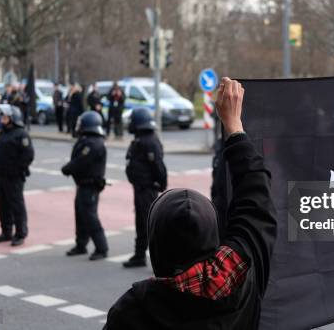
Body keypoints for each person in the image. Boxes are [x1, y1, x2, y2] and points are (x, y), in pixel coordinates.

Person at [104, 78, 277, 330]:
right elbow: (257, 198)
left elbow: (256, 201)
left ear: (157, 244)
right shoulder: (243, 280)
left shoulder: (131, 313)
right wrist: (234, 126)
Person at [121, 107, 167, 268]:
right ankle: (140, 255)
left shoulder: (149, 141)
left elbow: (158, 165)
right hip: (140, 188)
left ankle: (162, 260)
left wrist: (161, 184)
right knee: (142, 222)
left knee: (149, 224)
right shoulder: (141, 139)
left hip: (147, 189)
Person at [61, 111, 109, 261]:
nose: (78, 126)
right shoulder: (88, 140)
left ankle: (101, 248)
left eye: (81, 124)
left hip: (90, 186)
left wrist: (67, 168)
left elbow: (81, 161)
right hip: (83, 185)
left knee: (90, 217)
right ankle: (81, 244)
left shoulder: (94, 143)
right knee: (81, 215)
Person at [0, 104, 34, 246]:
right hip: (2, 177)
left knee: (17, 206)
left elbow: (28, 155)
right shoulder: (4, 132)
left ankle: (20, 233)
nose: (2, 119)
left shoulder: (21, 134)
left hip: (14, 177)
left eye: (5, 117)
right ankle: (6, 232)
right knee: (3, 206)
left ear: (13, 118)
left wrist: (16, 169)